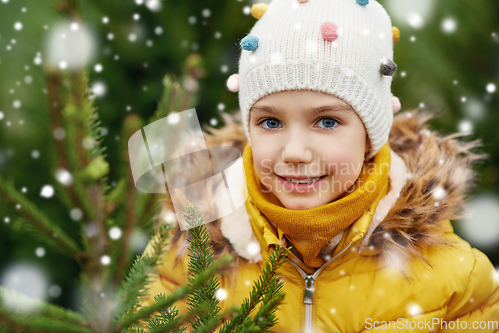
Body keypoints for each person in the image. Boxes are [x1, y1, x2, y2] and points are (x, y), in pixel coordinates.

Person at [138, 0, 499, 332]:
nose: (294, 152)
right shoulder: (190, 255)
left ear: (371, 135)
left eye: (326, 121)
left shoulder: (450, 278)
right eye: (270, 122)